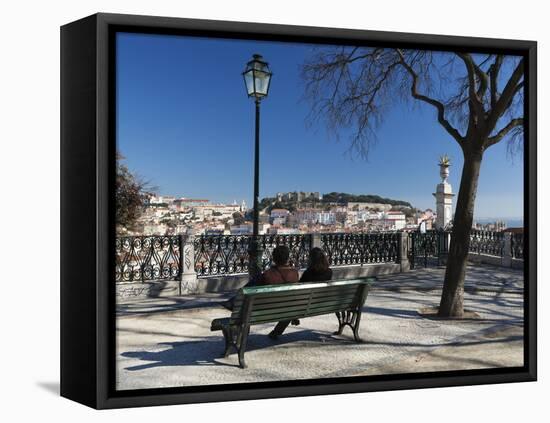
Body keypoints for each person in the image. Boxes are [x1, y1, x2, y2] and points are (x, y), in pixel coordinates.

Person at [268, 247, 333, 339]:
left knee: (291, 307)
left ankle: (277, 331)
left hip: (303, 305)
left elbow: (298, 290)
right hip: (320, 304)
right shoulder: (329, 272)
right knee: (293, 306)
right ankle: (287, 322)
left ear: (311, 260)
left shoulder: (308, 273)